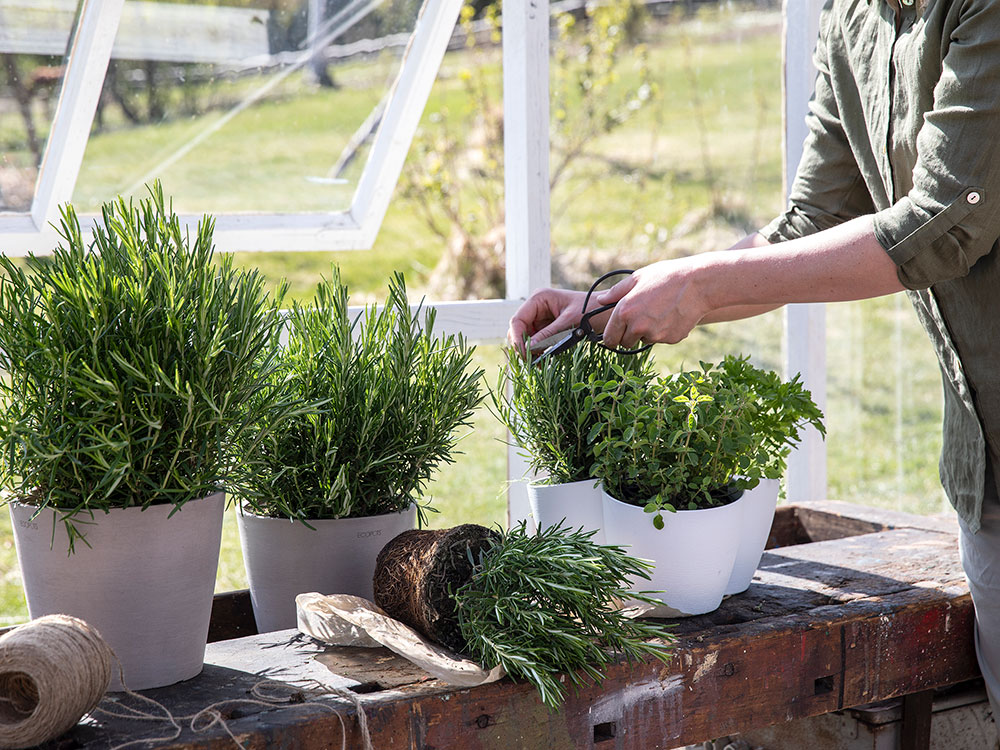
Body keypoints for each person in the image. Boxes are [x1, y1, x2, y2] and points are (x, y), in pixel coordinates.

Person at [508, 0, 1000, 732]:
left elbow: (948, 220)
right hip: (986, 476)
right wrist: (616, 299)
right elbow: (810, 226)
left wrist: (701, 287)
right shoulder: (852, 19)